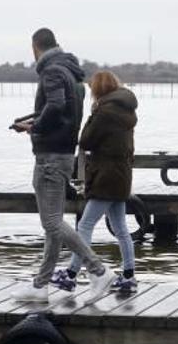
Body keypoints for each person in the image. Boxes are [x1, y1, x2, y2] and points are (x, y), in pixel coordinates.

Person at [10, 28, 115, 304]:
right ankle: (41, 285)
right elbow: (65, 111)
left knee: (53, 222)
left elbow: (55, 106)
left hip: (50, 156)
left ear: (35, 47)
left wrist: (35, 128)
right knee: (52, 225)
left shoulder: (52, 72)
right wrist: (37, 122)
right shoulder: (71, 73)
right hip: (64, 153)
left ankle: (99, 270)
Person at [50, 71, 139, 293]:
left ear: (97, 90)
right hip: (122, 175)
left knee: (85, 225)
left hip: (105, 176)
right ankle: (129, 275)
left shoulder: (104, 112)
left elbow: (85, 140)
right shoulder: (127, 110)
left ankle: (70, 274)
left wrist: (92, 114)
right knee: (121, 228)